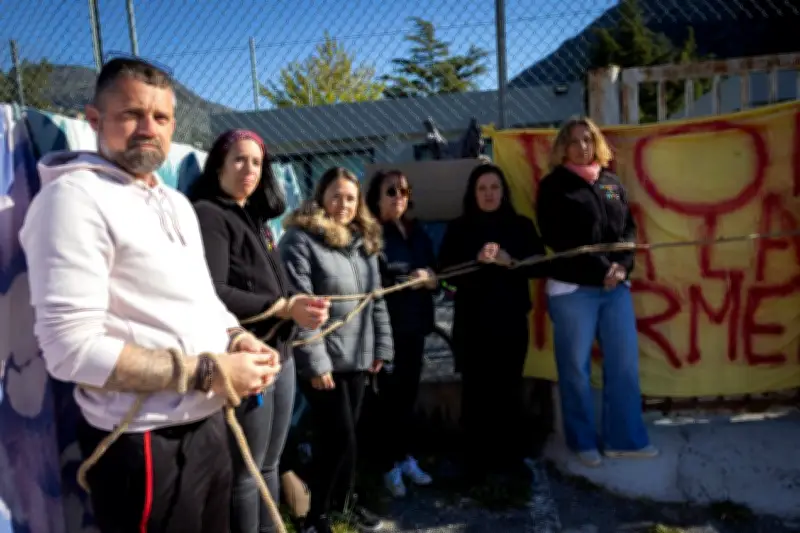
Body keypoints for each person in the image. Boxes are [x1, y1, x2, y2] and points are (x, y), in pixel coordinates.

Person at [18, 58, 282, 533]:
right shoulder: (71, 200)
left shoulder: (175, 202)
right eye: (131, 114)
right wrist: (209, 371)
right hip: (142, 441)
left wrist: (237, 337)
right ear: (94, 119)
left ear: (173, 127)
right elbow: (69, 349)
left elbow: (203, 299)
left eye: (160, 117)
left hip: (209, 426)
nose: (148, 128)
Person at [189, 129, 330, 533]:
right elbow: (213, 292)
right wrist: (283, 307)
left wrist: (299, 303)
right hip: (248, 359)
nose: (248, 169)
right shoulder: (210, 214)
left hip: (279, 354)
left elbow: (273, 285)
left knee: (269, 463)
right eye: (239, 159)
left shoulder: (254, 216)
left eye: (256, 162)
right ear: (219, 165)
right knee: (246, 473)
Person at [536, 116, 657, 468]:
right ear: (563, 148)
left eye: (588, 139)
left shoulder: (610, 183)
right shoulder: (554, 187)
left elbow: (628, 229)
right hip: (573, 289)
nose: (582, 147)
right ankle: (582, 441)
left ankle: (625, 439)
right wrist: (603, 269)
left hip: (615, 288)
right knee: (575, 368)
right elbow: (557, 237)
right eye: (574, 141)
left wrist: (622, 266)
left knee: (623, 364)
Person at [280, 167, 393, 533]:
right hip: (325, 359)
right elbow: (300, 306)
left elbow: (376, 301)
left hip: (357, 356)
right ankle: (316, 516)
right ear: (321, 197)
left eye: (350, 198)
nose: (343, 204)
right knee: (337, 436)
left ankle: (345, 504)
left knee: (348, 436)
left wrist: (381, 347)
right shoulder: (301, 241)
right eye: (336, 196)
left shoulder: (363, 243)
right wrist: (316, 364)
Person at [438, 162, 547, 481]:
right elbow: (445, 276)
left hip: (510, 322)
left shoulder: (520, 226)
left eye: (495, 187)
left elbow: (541, 265)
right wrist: (476, 262)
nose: (489, 194)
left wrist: (510, 262)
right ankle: (475, 463)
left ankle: (510, 460)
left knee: (509, 390)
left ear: (504, 192)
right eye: (482, 188)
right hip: (472, 324)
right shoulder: (459, 228)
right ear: (473, 194)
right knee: (476, 392)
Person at [365, 169, 436, 498]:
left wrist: (432, 280)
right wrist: (409, 278)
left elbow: (440, 275)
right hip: (386, 331)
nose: (398, 197)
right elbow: (374, 283)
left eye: (404, 191)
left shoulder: (417, 232)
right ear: (377, 198)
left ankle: (405, 456)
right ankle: (387, 465)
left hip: (415, 327)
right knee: (386, 401)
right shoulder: (371, 235)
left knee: (407, 396)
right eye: (391, 191)